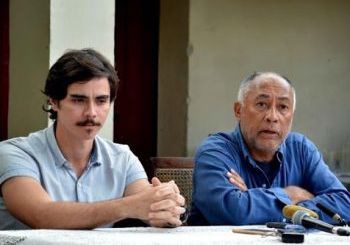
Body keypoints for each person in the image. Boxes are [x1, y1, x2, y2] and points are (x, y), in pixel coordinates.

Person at [0, 48, 185, 230]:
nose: (91, 113)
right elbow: (41, 215)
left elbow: (148, 205)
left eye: (101, 101)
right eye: (78, 100)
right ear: (54, 102)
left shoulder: (122, 158)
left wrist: (166, 207)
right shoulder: (14, 153)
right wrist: (128, 206)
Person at [188, 71, 350, 226]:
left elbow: (344, 203)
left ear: (291, 116)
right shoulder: (216, 151)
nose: (272, 117)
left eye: (283, 107)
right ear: (239, 110)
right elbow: (232, 210)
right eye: (262, 104)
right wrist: (290, 195)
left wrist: (252, 201)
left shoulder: (301, 149)